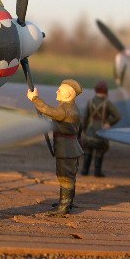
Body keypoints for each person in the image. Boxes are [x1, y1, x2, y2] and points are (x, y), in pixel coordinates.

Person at [27, 79, 83, 216]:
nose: (57, 91)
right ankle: (67, 202)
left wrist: (34, 98)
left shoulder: (65, 109)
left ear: (68, 94)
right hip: (69, 147)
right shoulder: (70, 107)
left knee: (65, 176)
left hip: (66, 149)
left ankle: (64, 206)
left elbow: (48, 110)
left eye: (60, 89)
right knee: (68, 175)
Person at [80, 80, 121, 177]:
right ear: (106, 91)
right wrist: (108, 123)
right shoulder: (107, 103)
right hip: (101, 134)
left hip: (89, 134)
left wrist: (84, 131)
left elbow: (85, 118)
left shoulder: (90, 102)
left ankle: (85, 170)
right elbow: (118, 116)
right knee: (99, 152)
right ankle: (97, 171)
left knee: (88, 151)